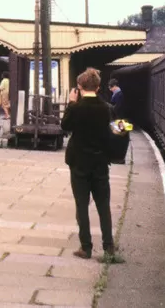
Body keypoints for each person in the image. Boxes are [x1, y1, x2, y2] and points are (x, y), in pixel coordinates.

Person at [61, 68, 115, 259]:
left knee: (81, 205)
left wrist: (71, 103)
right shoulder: (106, 108)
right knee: (103, 205)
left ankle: (86, 247)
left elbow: (64, 127)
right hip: (100, 162)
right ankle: (109, 247)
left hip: (79, 163)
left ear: (79, 87)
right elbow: (112, 133)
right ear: (98, 87)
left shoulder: (76, 108)